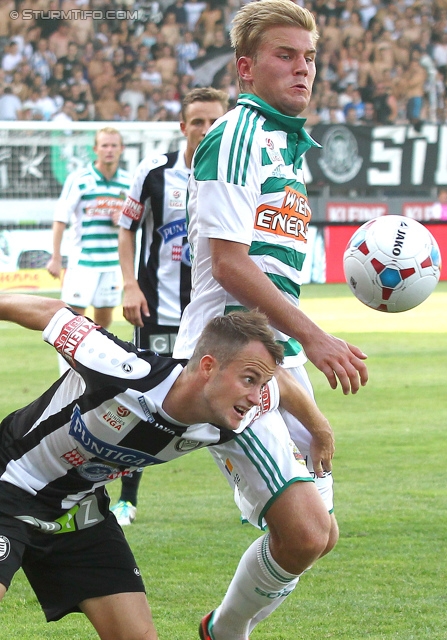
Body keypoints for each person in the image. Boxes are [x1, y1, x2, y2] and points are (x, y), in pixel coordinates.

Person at [172, 1, 369, 637]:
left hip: (269, 355)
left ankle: (218, 630)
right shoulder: (235, 136)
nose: (303, 69)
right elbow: (230, 267)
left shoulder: (286, 147)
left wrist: (309, 404)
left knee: (319, 535)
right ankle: (224, 635)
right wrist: (313, 338)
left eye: (310, 57)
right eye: (286, 56)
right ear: (247, 68)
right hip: (232, 358)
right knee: (306, 530)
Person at [0, 293, 333, 640]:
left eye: (259, 385)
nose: (255, 397)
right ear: (207, 367)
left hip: (78, 510)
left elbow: (282, 387)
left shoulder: (231, 411)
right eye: (248, 380)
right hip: (9, 483)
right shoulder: (124, 369)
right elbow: (52, 313)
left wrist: (320, 430)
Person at [114, 87, 229, 526]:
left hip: (212, 310)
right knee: (145, 400)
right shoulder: (154, 172)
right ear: (183, 127)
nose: (204, 130)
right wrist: (129, 284)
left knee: (225, 399)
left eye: (213, 122)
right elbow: (127, 229)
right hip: (156, 306)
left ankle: (251, 495)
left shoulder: (231, 174)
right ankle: (127, 499)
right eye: (197, 122)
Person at [46, 127, 130, 375]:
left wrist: (123, 218)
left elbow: (136, 220)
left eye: (114, 145)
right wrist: (56, 255)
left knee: (102, 322)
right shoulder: (80, 179)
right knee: (73, 320)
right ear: (95, 150)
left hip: (112, 264)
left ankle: (91, 369)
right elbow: (60, 217)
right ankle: (68, 375)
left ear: (121, 149)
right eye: (104, 145)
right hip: (83, 262)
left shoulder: (128, 181)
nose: (109, 150)